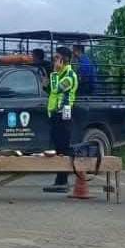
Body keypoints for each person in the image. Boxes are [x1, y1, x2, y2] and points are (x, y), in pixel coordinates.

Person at [42, 46, 87, 193]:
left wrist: (54, 74)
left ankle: (63, 182)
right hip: (55, 114)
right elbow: (51, 91)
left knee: (63, 149)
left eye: (57, 58)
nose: (54, 60)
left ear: (64, 59)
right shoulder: (60, 74)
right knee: (58, 149)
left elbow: (57, 89)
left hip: (64, 115)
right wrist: (45, 85)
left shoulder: (70, 76)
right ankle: (59, 181)